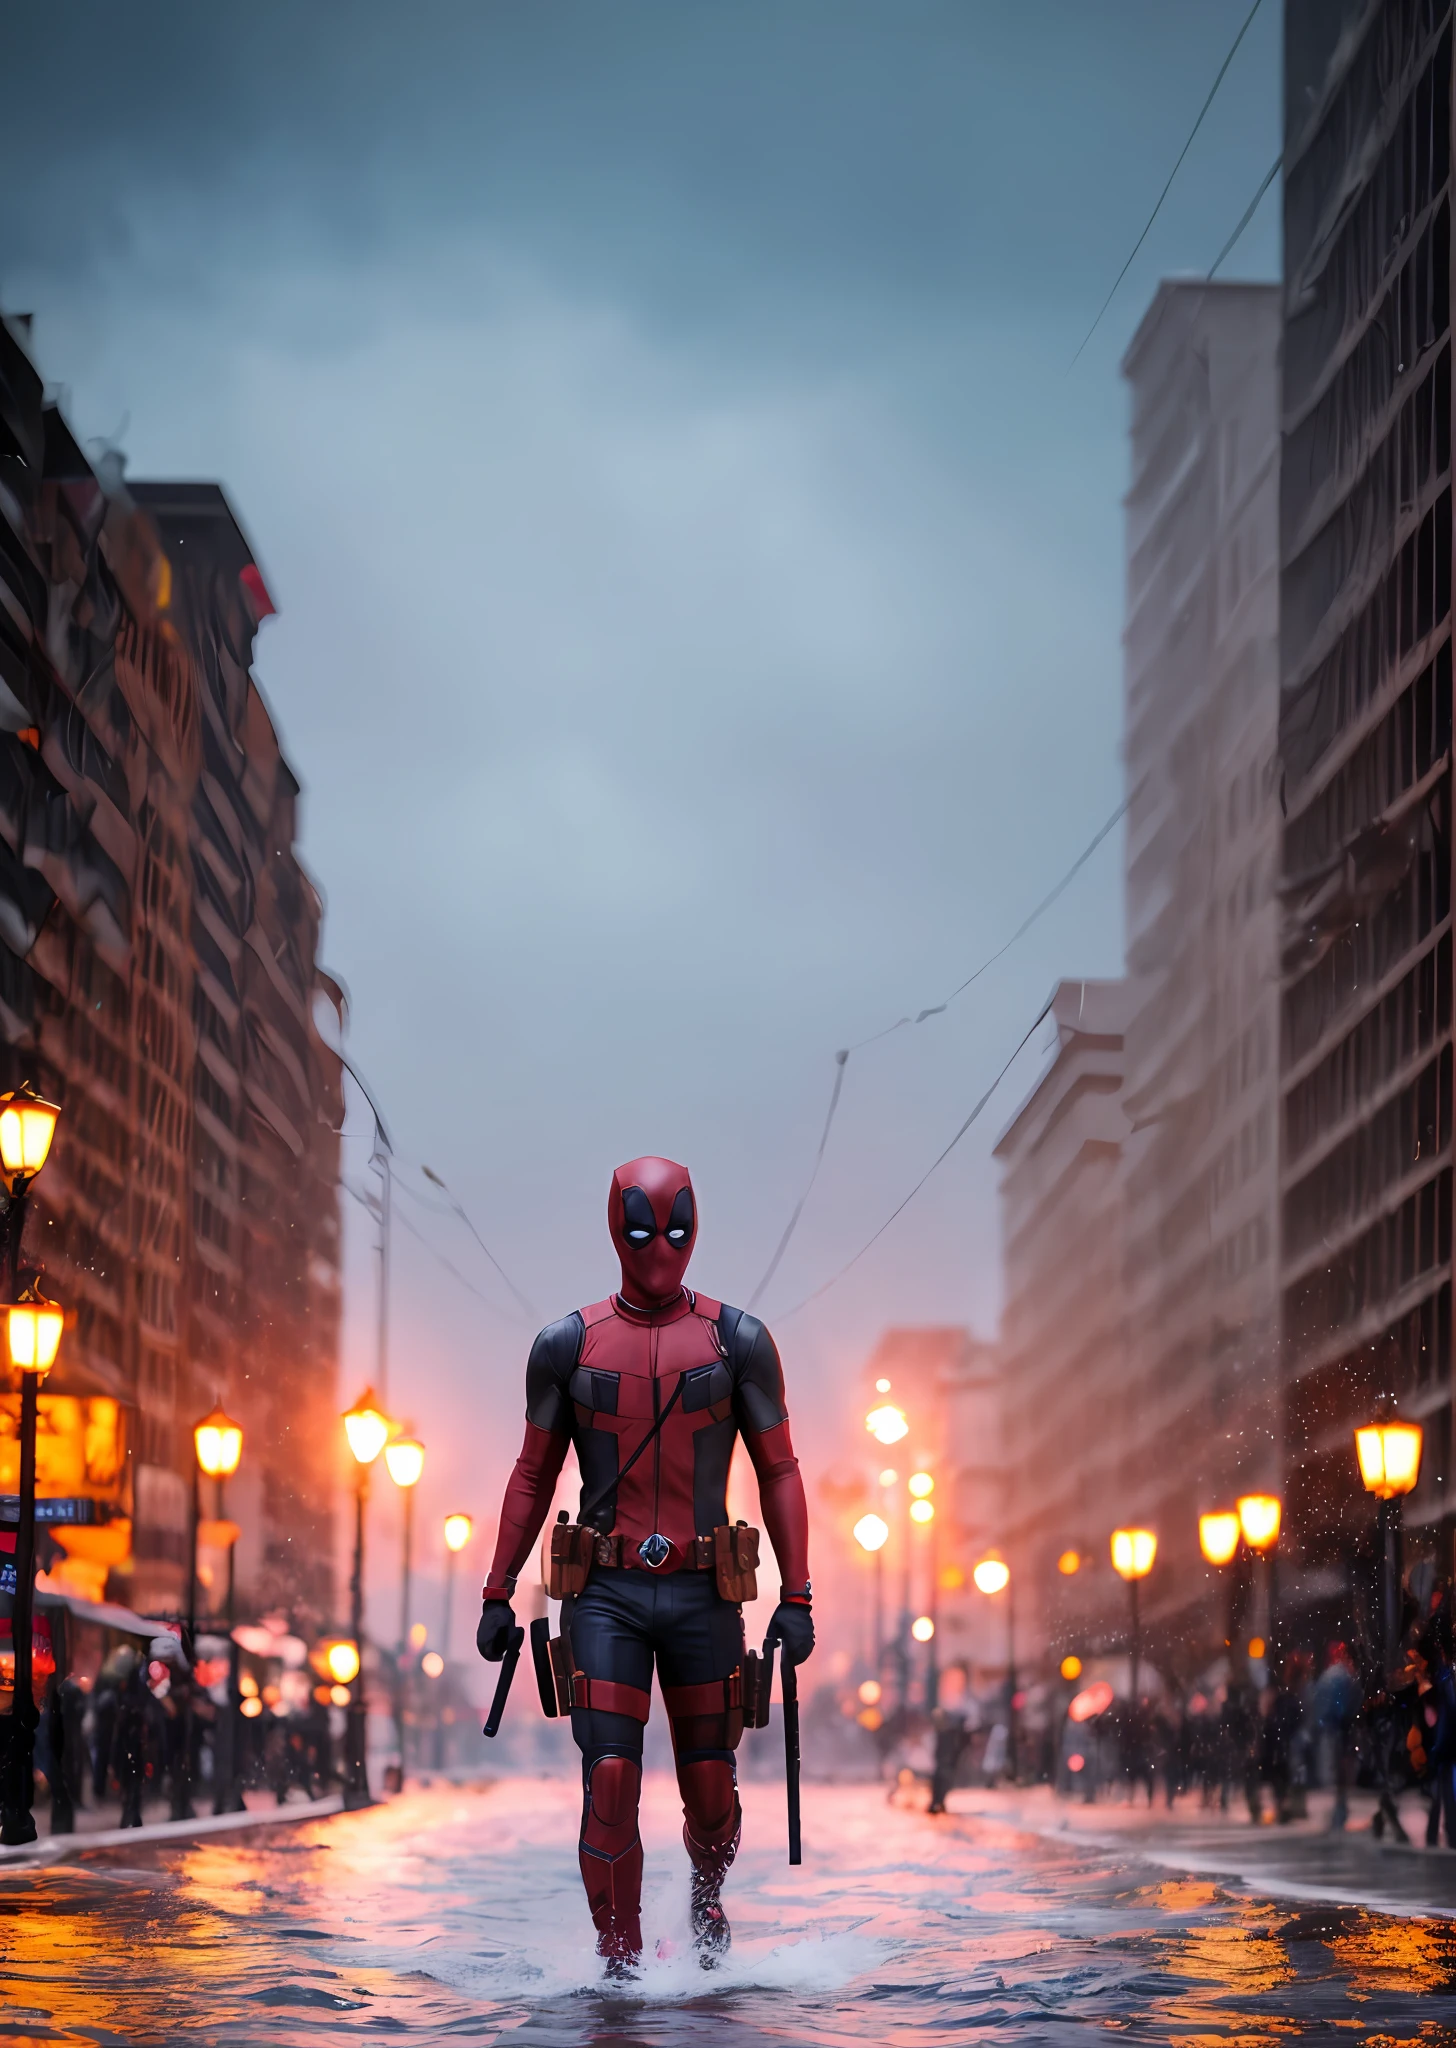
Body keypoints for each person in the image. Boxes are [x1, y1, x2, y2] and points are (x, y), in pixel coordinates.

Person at [476, 1156, 813, 1978]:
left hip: (704, 1593)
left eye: (673, 1227)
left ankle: (705, 1894)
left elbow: (780, 1469)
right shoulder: (566, 1345)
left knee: (710, 1790)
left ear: (695, 1226)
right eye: (640, 1228)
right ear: (613, 1228)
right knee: (612, 1775)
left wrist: (798, 1595)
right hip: (607, 1596)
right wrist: (496, 1588)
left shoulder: (739, 1342)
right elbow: (532, 1472)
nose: (658, 1246)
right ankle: (618, 1962)